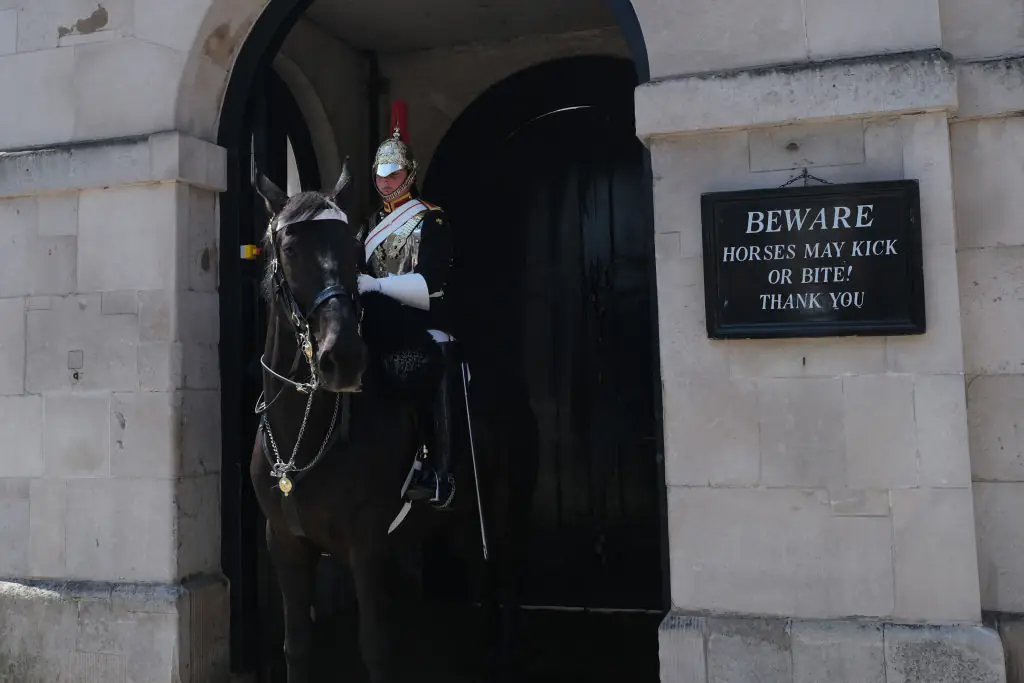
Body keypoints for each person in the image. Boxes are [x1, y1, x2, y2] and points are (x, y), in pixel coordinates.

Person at [356, 101, 460, 510]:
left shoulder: (430, 220)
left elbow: (431, 283)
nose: (385, 183)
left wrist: (376, 284)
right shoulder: (367, 226)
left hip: (422, 320)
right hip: (379, 325)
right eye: (380, 176)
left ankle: (439, 471)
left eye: (393, 175)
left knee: (433, 368)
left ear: (410, 175)